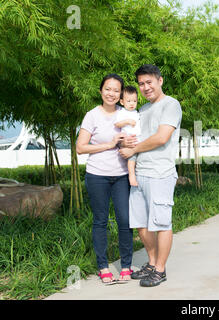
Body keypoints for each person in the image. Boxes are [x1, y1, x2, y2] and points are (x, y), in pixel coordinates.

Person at [119, 64, 182, 287]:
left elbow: (161, 138)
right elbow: (134, 138)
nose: (145, 87)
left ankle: (161, 270)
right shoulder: (142, 110)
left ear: (160, 81)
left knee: (161, 222)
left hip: (160, 174)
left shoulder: (171, 105)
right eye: (141, 84)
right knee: (141, 223)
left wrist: (133, 149)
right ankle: (152, 263)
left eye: (149, 82)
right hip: (140, 174)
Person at [76, 74, 134, 284]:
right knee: (100, 221)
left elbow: (136, 140)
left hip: (121, 175)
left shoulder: (127, 113)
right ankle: (103, 266)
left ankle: (126, 265)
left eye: (116, 90)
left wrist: (127, 142)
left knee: (125, 221)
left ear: (121, 95)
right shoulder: (92, 115)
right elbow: (80, 148)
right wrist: (109, 144)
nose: (111, 93)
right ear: (101, 91)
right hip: (97, 175)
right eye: (108, 89)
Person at [114, 85, 141, 187]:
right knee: (132, 158)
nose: (132, 104)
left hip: (138, 138)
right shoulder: (122, 112)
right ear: (122, 102)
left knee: (138, 158)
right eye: (129, 101)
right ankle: (131, 176)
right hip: (129, 139)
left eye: (134, 101)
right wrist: (127, 121)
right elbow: (117, 124)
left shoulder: (137, 112)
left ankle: (136, 175)